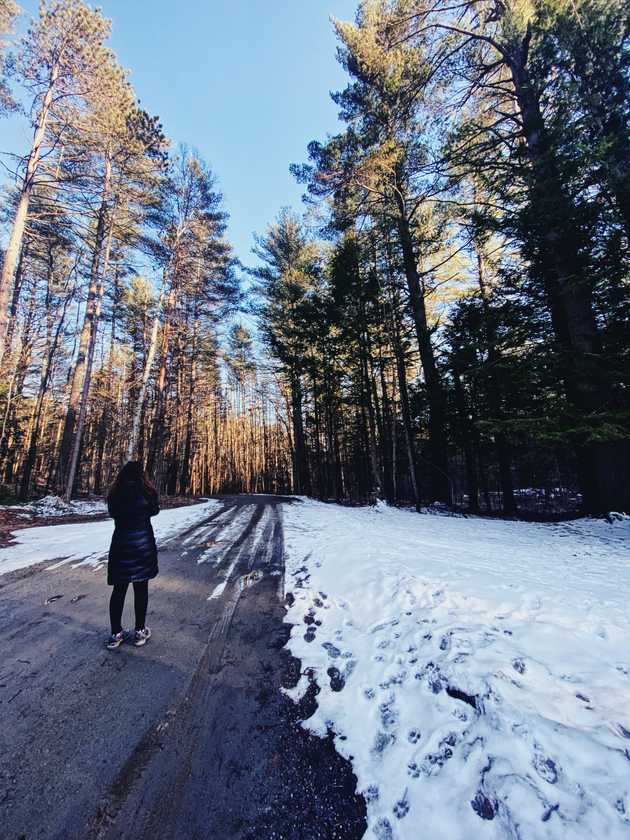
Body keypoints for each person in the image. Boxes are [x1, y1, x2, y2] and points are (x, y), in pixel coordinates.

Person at [105, 461, 160, 650]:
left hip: (121, 545)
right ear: (140, 475)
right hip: (142, 546)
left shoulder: (115, 494)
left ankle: (115, 633)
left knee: (119, 590)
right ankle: (139, 631)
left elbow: (112, 513)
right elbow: (155, 510)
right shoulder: (147, 492)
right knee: (141, 588)